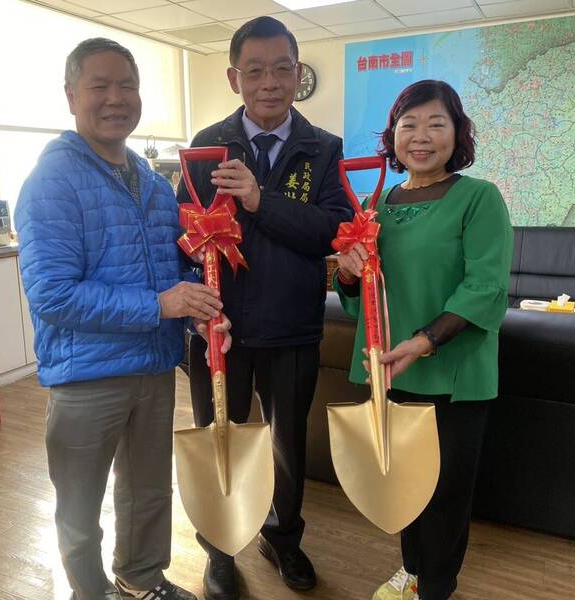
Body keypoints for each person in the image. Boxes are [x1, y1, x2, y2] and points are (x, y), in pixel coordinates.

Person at [15, 38, 228, 600]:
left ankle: (141, 578)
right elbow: (53, 295)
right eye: (99, 86)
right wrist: (161, 306)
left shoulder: (153, 185)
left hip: (153, 367)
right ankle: (91, 592)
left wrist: (197, 313)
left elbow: (171, 274)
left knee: (149, 491)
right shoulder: (52, 182)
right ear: (71, 96)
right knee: (80, 504)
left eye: (127, 85)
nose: (116, 98)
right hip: (87, 376)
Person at [177, 16, 353, 600]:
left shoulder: (323, 149)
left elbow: (331, 231)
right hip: (219, 331)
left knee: (287, 444)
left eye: (282, 69)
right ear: (235, 78)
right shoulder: (206, 147)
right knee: (218, 438)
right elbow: (181, 236)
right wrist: (197, 305)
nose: (269, 83)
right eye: (255, 71)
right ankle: (220, 548)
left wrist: (258, 199)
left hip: (291, 327)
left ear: (298, 74)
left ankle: (282, 537)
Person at [334, 80, 513, 600]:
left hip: (453, 371)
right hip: (391, 370)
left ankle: (435, 587)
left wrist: (424, 342)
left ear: (457, 134)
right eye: (408, 125)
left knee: (446, 493)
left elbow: (486, 287)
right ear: (393, 136)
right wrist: (347, 274)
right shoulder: (380, 206)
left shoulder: (478, 197)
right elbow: (364, 300)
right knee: (405, 485)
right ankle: (411, 571)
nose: (421, 136)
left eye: (436, 124)